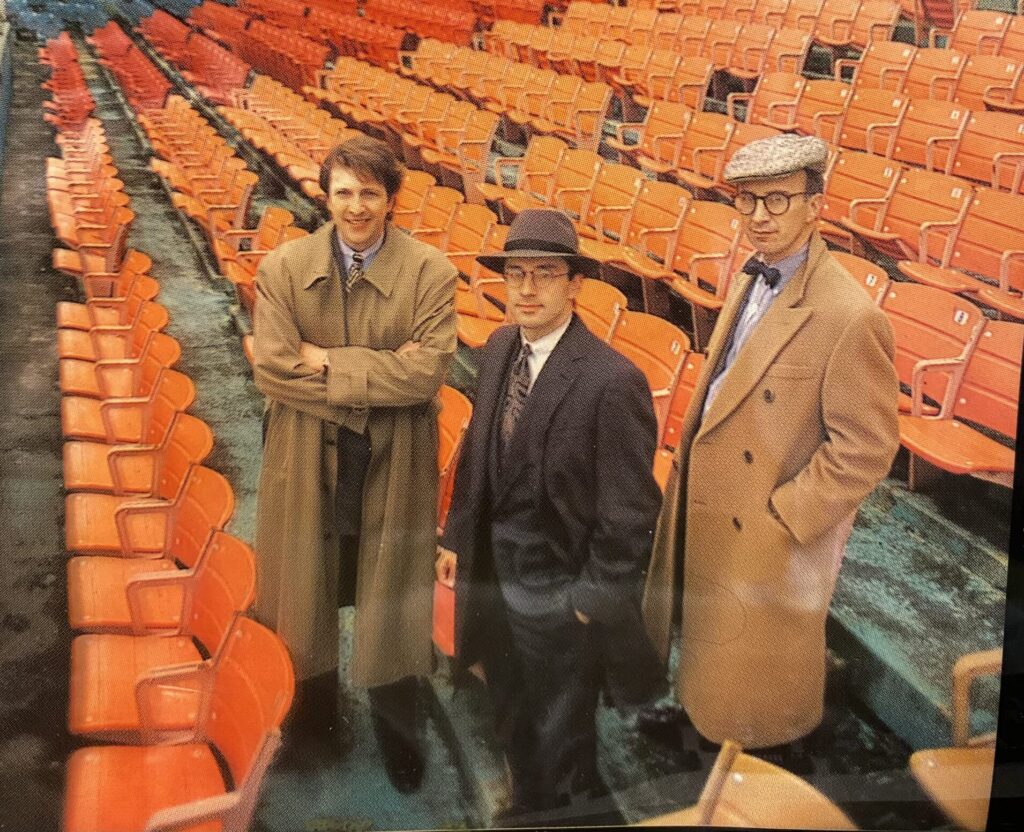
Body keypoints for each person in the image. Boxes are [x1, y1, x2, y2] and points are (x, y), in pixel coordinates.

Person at [640, 134, 900, 770]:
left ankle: (771, 759)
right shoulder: (749, 278)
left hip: (767, 520)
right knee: (712, 640)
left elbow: (867, 447)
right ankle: (706, 726)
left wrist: (786, 515)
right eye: (747, 202)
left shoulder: (848, 315)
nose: (759, 216)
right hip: (713, 495)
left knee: (761, 664)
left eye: (777, 200)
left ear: (816, 205)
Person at [436, 209, 666, 822]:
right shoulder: (499, 345)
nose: (527, 289)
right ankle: (528, 809)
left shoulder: (612, 381)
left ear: (574, 285)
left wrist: (590, 599)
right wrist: (458, 536)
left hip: (559, 590)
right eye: (516, 274)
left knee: (566, 739)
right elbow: (478, 456)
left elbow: (631, 512)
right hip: (491, 571)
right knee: (509, 708)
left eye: (545, 274)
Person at [251, 135, 457, 792]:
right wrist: (376, 373)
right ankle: (312, 719)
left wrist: (329, 361)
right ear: (326, 194)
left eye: (371, 192)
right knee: (304, 588)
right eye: (344, 191)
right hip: (304, 455)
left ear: (392, 199)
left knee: (391, 598)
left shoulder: (432, 272)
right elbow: (276, 372)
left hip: (394, 462)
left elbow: (425, 377)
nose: (357, 206)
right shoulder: (283, 267)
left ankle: (401, 734)